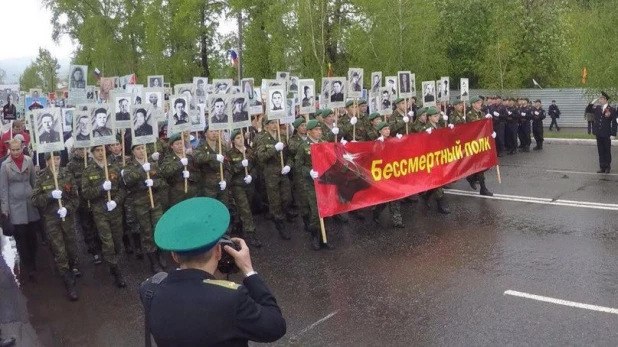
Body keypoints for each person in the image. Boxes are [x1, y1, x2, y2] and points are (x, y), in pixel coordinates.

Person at [139, 197, 286, 346]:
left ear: (174, 255)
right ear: (218, 251)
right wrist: (249, 271)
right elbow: (275, 326)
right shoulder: (232, 298)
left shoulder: (149, 290)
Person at [31, 152, 80, 300]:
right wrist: (49, 195)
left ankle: (72, 268)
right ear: (47, 161)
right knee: (60, 251)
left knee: (71, 248)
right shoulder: (41, 178)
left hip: (67, 218)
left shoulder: (67, 174)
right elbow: (34, 200)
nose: (56, 161)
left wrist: (68, 208)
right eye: (52, 159)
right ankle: (68, 282)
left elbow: (76, 198)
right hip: (52, 220)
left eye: (58, 158)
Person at [80, 145, 127, 288]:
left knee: (118, 241)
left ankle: (113, 260)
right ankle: (115, 270)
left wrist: (116, 201)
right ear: (92, 153)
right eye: (97, 151)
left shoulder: (114, 167)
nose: (100, 153)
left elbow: (123, 189)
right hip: (100, 211)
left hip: (115, 209)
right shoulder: (88, 171)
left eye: (102, 150)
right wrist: (101, 188)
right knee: (108, 242)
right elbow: (86, 193)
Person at [122, 144, 168, 273]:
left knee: (159, 228)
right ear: (133, 152)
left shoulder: (153, 164)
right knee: (147, 232)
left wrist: (154, 183)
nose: (141, 151)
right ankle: (153, 262)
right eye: (138, 149)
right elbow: (127, 180)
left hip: (155, 202)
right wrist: (142, 170)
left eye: (143, 148)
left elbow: (163, 182)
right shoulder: (129, 167)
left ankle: (161, 255)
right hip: (140, 204)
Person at [0, 138, 41, 282]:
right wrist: (5, 210)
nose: (16, 152)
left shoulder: (29, 161)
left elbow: (34, 182)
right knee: (21, 237)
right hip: (15, 205)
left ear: (22, 147)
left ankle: (33, 259)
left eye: (18, 149)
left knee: (32, 236)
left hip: (30, 204)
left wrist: (37, 199)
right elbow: (3, 189)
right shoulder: (5, 166)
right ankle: (29, 266)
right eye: (13, 150)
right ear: (10, 149)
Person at [295, 120, 334, 250]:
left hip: (325, 181)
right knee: (316, 211)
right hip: (311, 183)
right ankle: (315, 236)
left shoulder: (324, 143)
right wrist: (309, 172)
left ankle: (325, 237)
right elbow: (298, 166)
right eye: (316, 130)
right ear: (309, 131)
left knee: (327, 209)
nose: (319, 132)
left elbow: (331, 159)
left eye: (320, 130)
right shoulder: (303, 146)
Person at [256, 118, 294, 239]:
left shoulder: (282, 137)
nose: (274, 125)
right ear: (266, 126)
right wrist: (274, 149)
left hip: (283, 172)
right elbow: (261, 157)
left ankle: (279, 215)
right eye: (271, 123)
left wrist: (288, 165)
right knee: (275, 200)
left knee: (287, 198)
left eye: (275, 123)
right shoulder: (262, 139)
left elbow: (289, 155)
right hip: (271, 173)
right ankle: (280, 223)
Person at [66, 147, 102, 264]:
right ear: (75, 150)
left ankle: (101, 247)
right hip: (81, 201)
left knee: (98, 224)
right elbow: (69, 183)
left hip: (95, 198)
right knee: (86, 226)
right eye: (79, 149)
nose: (82, 151)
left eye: (83, 149)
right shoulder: (71, 165)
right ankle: (93, 250)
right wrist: (83, 183)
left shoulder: (92, 161)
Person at [227, 129, 261, 247]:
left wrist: (252, 175)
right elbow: (229, 170)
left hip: (249, 184)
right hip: (238, 185)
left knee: (247, 207)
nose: (240, 139)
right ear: (232, 141)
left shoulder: (250, 151)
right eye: (237, 138)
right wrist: (240, 165)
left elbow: (257, 166)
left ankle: (239, 223)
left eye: (241, 137)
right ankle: (251, 234)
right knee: (245, 208)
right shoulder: (230, 154)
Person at [586, 92, 617, 173]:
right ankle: (602, 167)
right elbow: (588, 109)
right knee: (600, 150)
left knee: (607, 150)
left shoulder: (611, 109)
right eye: (599, 99)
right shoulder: (597, 108)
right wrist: (593, 101)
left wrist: (613, 134)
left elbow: (614, 122)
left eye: (601, 99)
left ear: (605, 100)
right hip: (598, 133)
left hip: (606, 133)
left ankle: (607, 167)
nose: (600, 100)